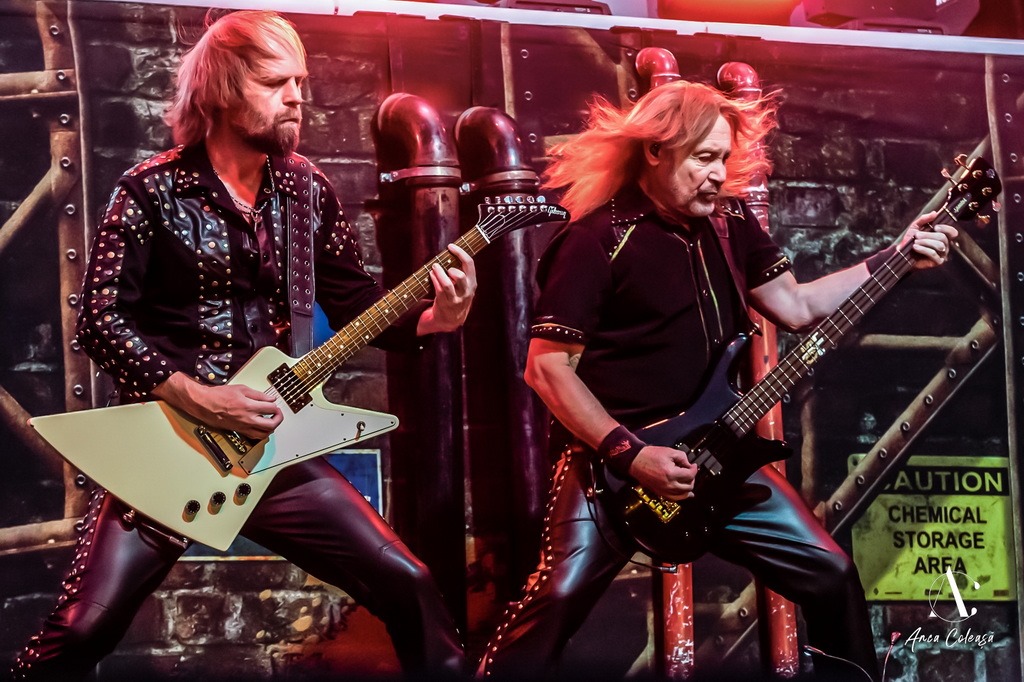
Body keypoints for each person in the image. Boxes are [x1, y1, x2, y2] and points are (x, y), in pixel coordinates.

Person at [12, 10, 474, 681]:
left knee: (409, 582)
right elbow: (101, 323)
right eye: (276, 82)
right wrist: (198, 396)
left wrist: (436, 319)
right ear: (223, 88)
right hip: (170, 446)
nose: (297, 97)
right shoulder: (150, 191)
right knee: (84, 630)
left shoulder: (305, 190)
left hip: (272, 447)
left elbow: (356, 305)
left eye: (300, 82)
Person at [478, 80, 956, 680]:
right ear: (656, 151)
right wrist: (632, 454)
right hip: (611, 466)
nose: (718, 174)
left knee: (830, 574)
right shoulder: (595, 240)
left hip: (716, 452)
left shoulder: (730, 223)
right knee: (557, 599)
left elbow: (797, 305)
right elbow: (546, 368)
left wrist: (898, 255)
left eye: (724, 158)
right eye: (704, 157)